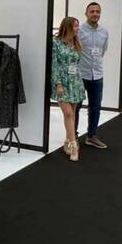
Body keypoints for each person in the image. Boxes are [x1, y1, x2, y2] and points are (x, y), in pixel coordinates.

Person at [51, 16, 86, 160]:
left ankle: (67, 141)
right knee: (68, 113)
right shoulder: (56, 42)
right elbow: (55, 65)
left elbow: (76, 64)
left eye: (78, 25)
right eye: (75, 26)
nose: (78, 28)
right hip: (62, 82)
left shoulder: (76, 42)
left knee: (72, 114)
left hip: (75, 82)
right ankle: (74, 146)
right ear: (67, 27)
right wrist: (58, 83)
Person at [77, 2, 109, 149]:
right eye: (92, 11)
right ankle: (73, 137)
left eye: (97, 11)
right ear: (86, 14)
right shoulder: (79, 31)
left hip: (97, 75)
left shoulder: (104, 32)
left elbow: (103, 50)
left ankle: (91, 136)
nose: (95, 14)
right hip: (80, 75)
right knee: (76, 106)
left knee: (95, 107)